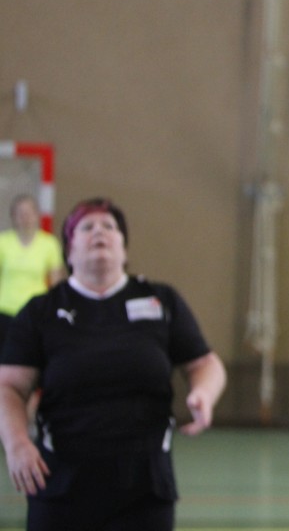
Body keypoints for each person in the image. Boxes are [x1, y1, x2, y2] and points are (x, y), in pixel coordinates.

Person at [0, 197, 226, 531]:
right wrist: (17, 442)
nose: (99, 232)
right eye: (86, 227)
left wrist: (203, 393)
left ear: (124, 248)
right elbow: (9, 386)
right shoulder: (41, 311)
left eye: (109, 226)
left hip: (144, 487)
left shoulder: (160, 300)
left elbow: (205, 363)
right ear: (69, 250)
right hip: (62, 483)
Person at [0, 194, 66, 352]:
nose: (25, 218)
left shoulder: (49, 244)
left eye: (29, 213)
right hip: (5, 309)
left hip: (35, 310)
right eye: (20, 214)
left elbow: (56, 282)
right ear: (13, 217)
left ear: (37, 215)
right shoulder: (3, 242)